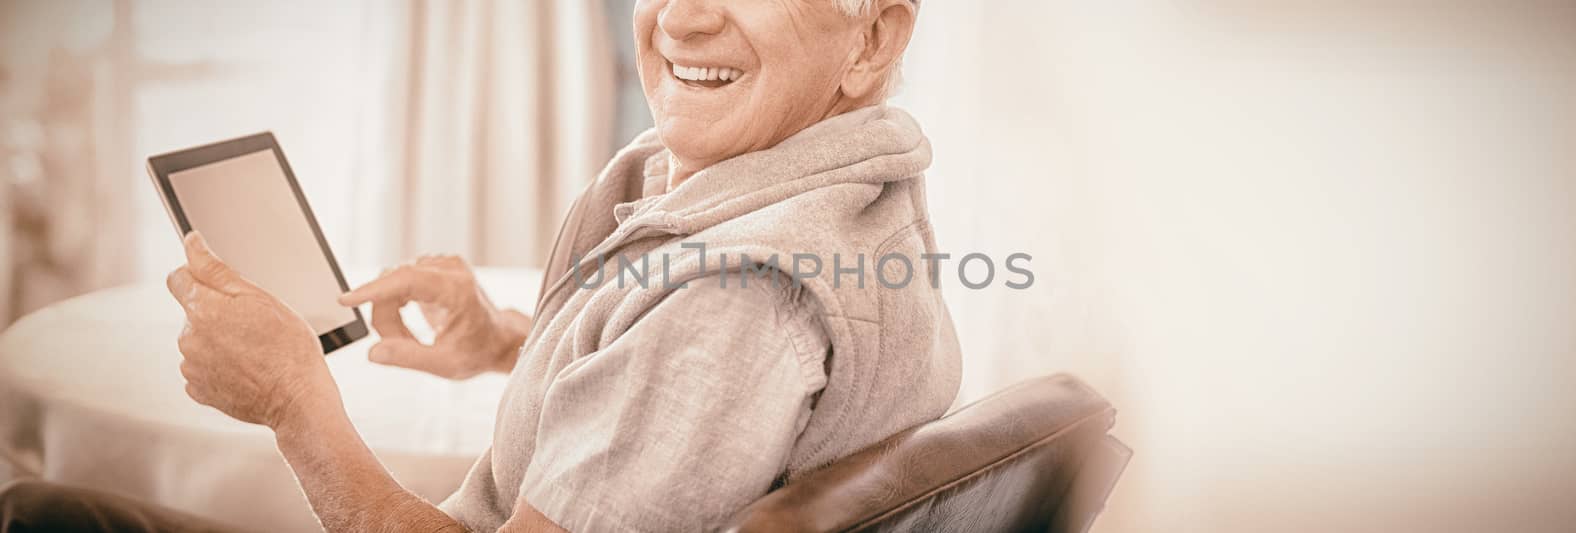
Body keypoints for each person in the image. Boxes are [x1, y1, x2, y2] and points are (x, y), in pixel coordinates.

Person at [0, 0, 958, 531]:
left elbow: (702, 352)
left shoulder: (735, 301)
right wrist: (509, 340)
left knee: (45, 512)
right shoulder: (860, 190)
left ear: (873, 37)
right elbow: (683, 399)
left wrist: (295, 404)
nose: (682, 18)